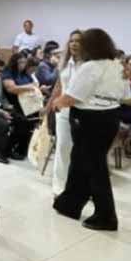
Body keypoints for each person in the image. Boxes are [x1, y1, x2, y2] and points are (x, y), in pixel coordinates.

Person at [52, 28, 131, 232]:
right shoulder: (118, 66)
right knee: (81, 161)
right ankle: (69, 204)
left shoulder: (90, 67)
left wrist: (57, 103)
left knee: (94, 167)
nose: (78, 47)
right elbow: (125, 96)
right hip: (110, 117)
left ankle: (106, 216)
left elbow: (73, 96)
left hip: (88, 119)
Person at [48, 31, 82, 194]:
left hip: (83, 112)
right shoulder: (64, 63)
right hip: (64, 111)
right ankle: (59, 187)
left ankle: (78, 186)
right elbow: (58, 87)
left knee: (79, 151)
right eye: (71, 41)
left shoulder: (88, 65)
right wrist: (48, 106)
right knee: (62, 148)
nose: (74, 44)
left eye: (78, 41)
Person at [2, 53, 41, 158]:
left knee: (36, 117)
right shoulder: (8, 72)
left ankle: (23, 148)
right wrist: (29, 87)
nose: (23, 64)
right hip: (11, 103)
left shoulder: (24, 74)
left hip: (26, 102)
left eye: (24, 62)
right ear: (15, 63)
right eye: (21, 62)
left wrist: (36, 88)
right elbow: (11, 89)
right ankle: (10, 149)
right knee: (23, 121)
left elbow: (33, 85)